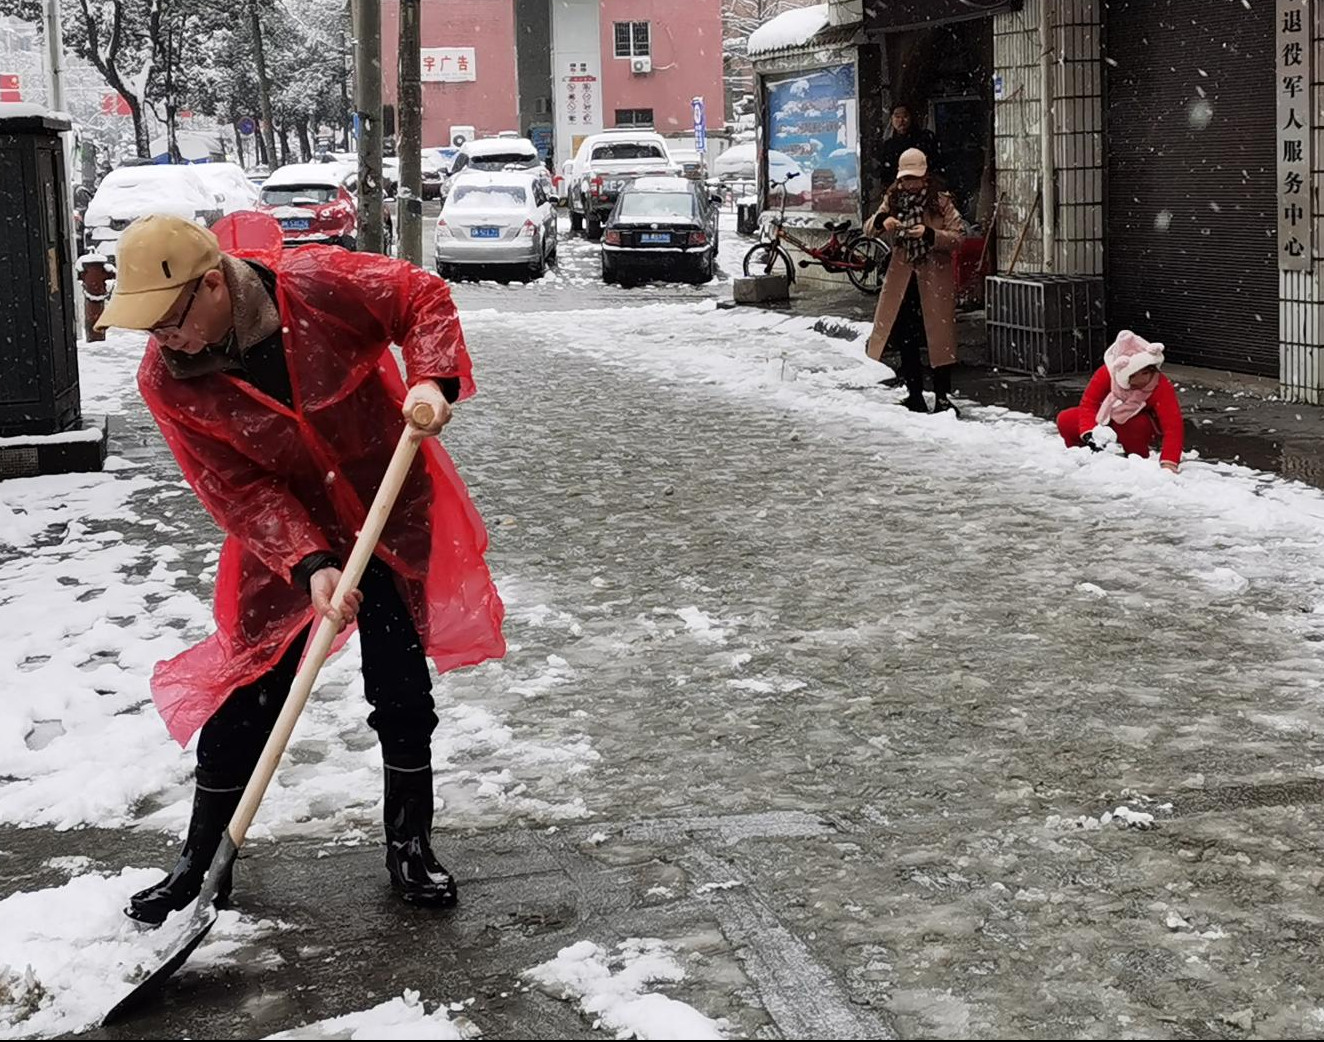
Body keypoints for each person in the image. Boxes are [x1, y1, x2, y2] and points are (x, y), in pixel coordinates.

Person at [95, 212, 506, 925]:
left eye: (168, 323)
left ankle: (410, 845)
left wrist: (432, 380)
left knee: (400, 687)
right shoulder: (169, 382)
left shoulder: (317, 283)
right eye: (149, 330)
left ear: (214, 286)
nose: (163, 343)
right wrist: (308, 561)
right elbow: (235, 487)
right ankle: (201, 861)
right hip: (288, 531)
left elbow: (418, 294)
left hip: (385, 499)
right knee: (251, 687)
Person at [864, 148, 966, 414]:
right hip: (902, 281)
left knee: (939, 339)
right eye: (906, 179)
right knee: (906, 338)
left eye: (914, 178)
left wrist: (930, 235)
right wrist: (883, 221)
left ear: (925, 177)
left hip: (933, 279)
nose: (909, 184)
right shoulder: (893, 198)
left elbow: (958, 237)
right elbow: (868, 227)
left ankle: (943, 397)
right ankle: (914, 394)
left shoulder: (940, 202)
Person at [1057, 330, 1184, 472]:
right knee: (1066, 419)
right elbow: (1089, 404)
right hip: (1105, 416)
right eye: (1133, 377)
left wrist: (1169, 462)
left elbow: (1173, 426)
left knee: (1133, 424)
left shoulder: (1161, 385)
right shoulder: (1108, 373)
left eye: (1146, 374)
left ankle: (1137, 459)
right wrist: (1089, 433)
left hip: (1138, 426)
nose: (1141, 381)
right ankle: (1083, 455)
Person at [879, 103, 941, 190]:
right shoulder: (888, 145)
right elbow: (886, 173)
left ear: (911, 118)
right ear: (891, 119)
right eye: (897, 117)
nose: (901, 120)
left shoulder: (925, 139)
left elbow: (934, 164)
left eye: (905, 116)